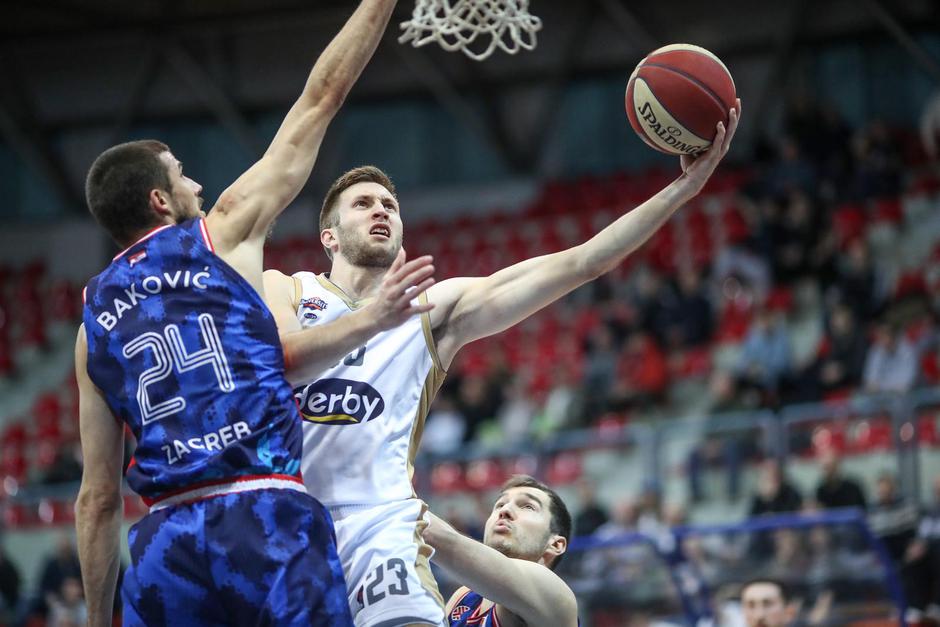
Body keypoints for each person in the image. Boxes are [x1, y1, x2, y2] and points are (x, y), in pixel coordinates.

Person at [263, 102, 741, 625]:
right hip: (283, 520)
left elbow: (582, 262)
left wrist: (683, 191)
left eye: (389, 205)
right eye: (363, 204)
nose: (381, 210)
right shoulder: (284, 287)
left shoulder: (432, 310)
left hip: (381, 526)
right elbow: (288, 357)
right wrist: (371, 318)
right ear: (329, 236)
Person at [74, 2, 429, 625]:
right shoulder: (220, 234)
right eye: (183, 179)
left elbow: (97, 500)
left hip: (166, 546)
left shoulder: (89, 324)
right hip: (264, 516)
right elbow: (322, 96)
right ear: (161, 200)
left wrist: (100, 616)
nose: (198, 189)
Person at [421, 475, 577, 627]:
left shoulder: (555, 594)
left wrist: (401, 502)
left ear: (556, 544)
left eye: (528, 506)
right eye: (500, 505)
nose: (505, 510)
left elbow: (443, 539)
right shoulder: (464, 597)